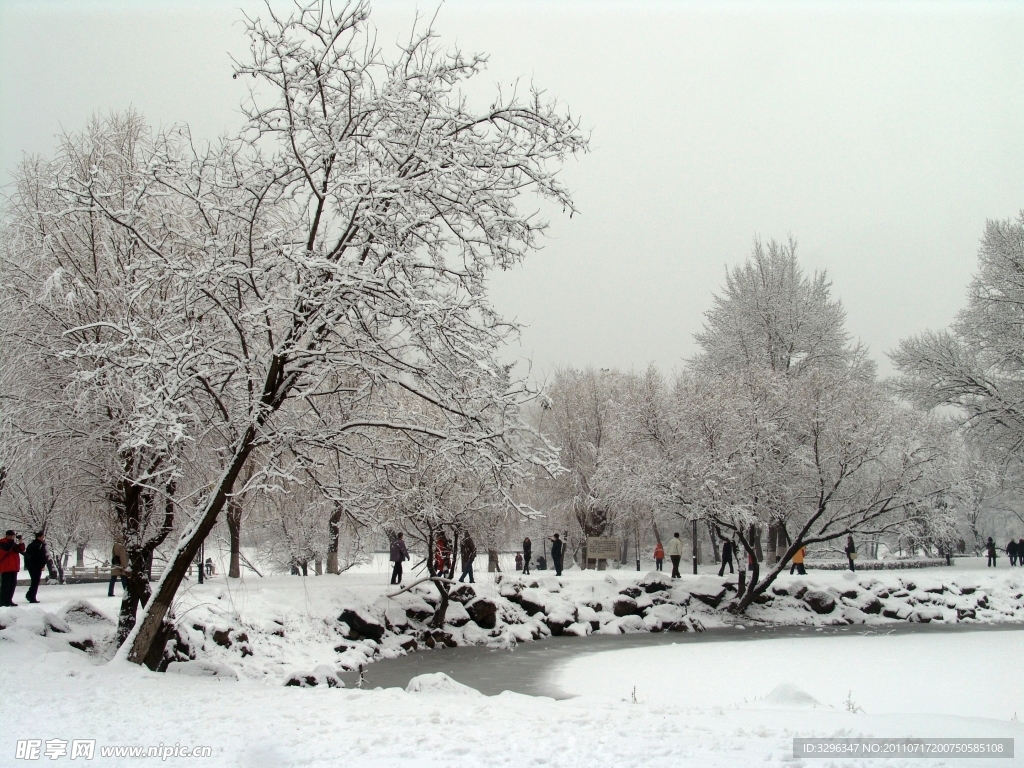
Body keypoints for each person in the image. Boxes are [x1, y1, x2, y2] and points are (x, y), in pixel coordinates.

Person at [0, 530, 26, 607]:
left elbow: (21, 550)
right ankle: (3, 601)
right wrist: (11, 543)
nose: (12, 537)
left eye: (13, 536)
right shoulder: (2, 542)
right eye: (11, 536)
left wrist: (20, 542)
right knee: (6, 585)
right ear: (7, 535)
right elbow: (6, 550)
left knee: (12, 585)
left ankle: (9, 600)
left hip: (14, 567)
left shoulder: (13, 544)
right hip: (6, 567)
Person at [24, 532, 49, 604]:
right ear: (39, 537)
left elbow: (27, 555)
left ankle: (30, 595)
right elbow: (42, 556)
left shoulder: (31, 545)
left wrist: (28, 565)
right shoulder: (40, 545)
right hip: (37, 566)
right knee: (35, 581)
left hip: (31, 566)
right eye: (42, 537)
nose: (43, 538)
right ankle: (31, 596)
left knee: (34, 581)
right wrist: (43, 564)